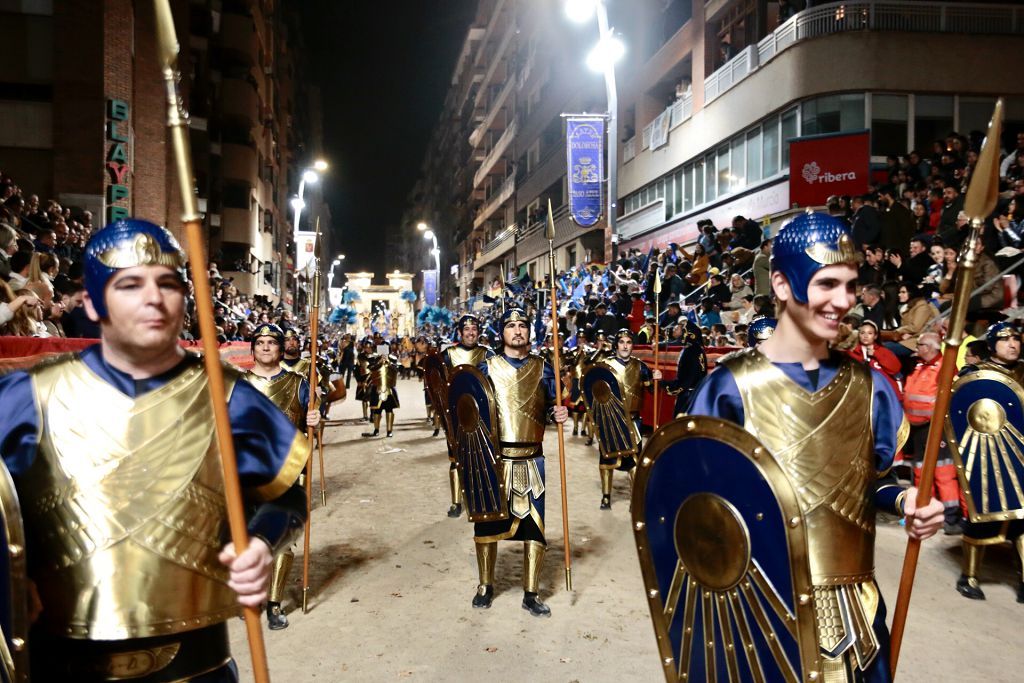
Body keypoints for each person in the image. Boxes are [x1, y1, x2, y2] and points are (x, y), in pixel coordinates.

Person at [0, 219, 308, 681]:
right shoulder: (29, 397)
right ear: (92, 302)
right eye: (129, 284)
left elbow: (287, 495)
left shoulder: (230, 397)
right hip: (59, 664)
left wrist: (263, 543)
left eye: (168, 283)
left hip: (197, 664)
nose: (153, 298)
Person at [688, 211, 944, 680]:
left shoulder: (873, 388)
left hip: (853, 608)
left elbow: (872, 484)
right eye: (827, 284)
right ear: (783, 285)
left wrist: (908, 501)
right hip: (758, 606)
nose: (843, 301)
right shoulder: (728, 389)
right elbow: (701, 515)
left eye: (850, 285)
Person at [472, 308, 569, 617]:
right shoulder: (486, 368)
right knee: (488, 523)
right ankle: (485, 586)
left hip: (532, 458)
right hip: (496, 458)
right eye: (511, 325)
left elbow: (555, 403)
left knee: (534, 528)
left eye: (522, 326)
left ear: (529, 332)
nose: (517, 331)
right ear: (502, 332)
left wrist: (560, 414)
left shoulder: (543, 367)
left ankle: (531, 592)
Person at [243, 323, 321, 630]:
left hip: (285, 470)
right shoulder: (239, 383)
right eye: (260, 342)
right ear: (253, 349)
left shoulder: (299, 383)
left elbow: (311, 416)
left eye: (271, 342)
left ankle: (274, 604)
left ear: (280, 348)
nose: (265, 347)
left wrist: (315, 417)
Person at [954, 321, 1024, 601]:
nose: (1013, 344)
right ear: (993, 344)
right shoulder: (976, 375)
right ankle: (969, 575)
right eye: (1006, 340)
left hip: (1021, 456)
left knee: (1022, 519)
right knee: (981, 515)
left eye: (1016, 340)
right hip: (985, 455)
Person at [592, 329, 661, 509]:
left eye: (628, 342)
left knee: (634, 461)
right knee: (607, 460)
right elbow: (594, 391)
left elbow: (652, 391)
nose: (625, 345)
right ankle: (606, 496)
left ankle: (635, 498)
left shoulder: (641, 367)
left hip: (633, 421)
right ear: (616, 345)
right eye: (621, 342)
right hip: (610, 420)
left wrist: (656, 380)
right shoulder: (605, 365)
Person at [901, 331, 962, 534]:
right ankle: (922, 509)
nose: (917, 348)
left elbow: (951, 397)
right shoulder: (919, 366)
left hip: (937, 428)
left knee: (943, 471)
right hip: (917, 429)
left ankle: (950, 516)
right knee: (920, 470)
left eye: (919, 345)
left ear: (930, 347)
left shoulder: (946, 367)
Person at [440, 315, 494, 517]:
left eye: (474, 329)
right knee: (456, 459)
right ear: (460, 332)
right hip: (457, 413)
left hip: (483, 414)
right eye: (467, 329)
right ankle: (456, 502)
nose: (471, 332)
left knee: (483, 458)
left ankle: (483, 499)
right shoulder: (448, 355)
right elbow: (442, 387)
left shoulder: (488, 353)